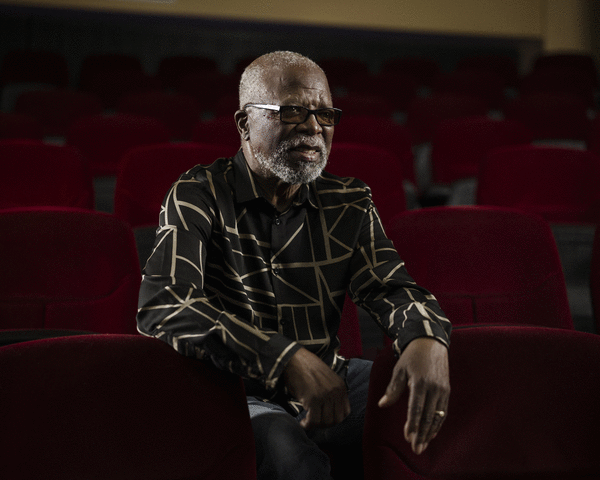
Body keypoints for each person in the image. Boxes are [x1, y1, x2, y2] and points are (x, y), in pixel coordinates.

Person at [137, 51, 451, 480]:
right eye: (292, 111)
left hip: (332, 380)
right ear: (245, 123)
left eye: (325, 114)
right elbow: (164, 302)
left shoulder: (350, 201)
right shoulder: (198, 193)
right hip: (235, 394)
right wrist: (282, 358)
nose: (314, 127)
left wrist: (426, 336)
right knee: (289, 455)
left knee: (444, 402)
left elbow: (392, 288)